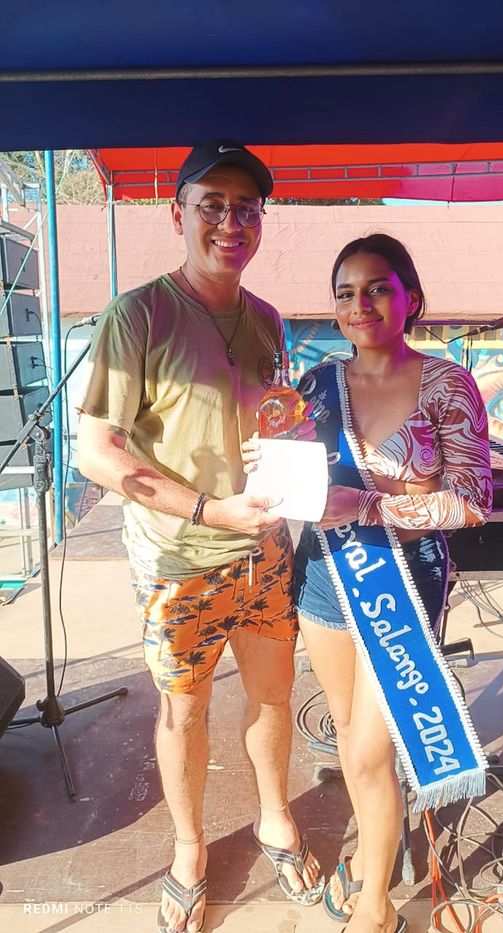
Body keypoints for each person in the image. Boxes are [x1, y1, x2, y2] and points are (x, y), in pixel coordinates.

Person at [76, 139, 323, 933]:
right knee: (184, 713)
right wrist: (212, 511)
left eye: (246, 207)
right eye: (211, 204)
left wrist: (291, 446)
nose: (230, 222)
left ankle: (275, 815)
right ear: (175, 213)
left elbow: (267, 420)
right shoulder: (137, 315)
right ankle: (188, 848)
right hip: (179, 560)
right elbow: (96, 452)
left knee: (274, 696)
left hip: (265, 551)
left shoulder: (269, 319)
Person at [242, 233, 492, 933]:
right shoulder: (315, 386)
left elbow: (473, 500)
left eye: (378, 287)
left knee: (369, 749)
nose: (361, 304)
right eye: (346, 293)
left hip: (404, 581)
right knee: (350, 731)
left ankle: (375, 906)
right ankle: (370, 860)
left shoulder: (447, 384)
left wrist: (372, 505)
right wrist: (267, 463)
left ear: (411, 296)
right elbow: (296, 475)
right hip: (325, 575)